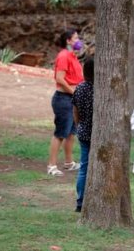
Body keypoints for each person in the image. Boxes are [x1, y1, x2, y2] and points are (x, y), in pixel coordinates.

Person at [47, 29, 84, 176]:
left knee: (71, 132)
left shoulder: (73, 56)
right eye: (75, 38)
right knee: (60, 133)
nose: (78, 40)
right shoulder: (63, 56)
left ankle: (69, 162)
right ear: (68, 41)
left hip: (72, 99)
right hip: (63, 99)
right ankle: (52, 166)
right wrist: (74, 92)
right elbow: (59, 79)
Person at [72, 57, 94, 212]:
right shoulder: (101, 89)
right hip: (96, 134)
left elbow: (75, 110)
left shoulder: (80, 87)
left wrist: (79, 124)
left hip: (83, 131)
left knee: (84, 167)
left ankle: (80, 201)